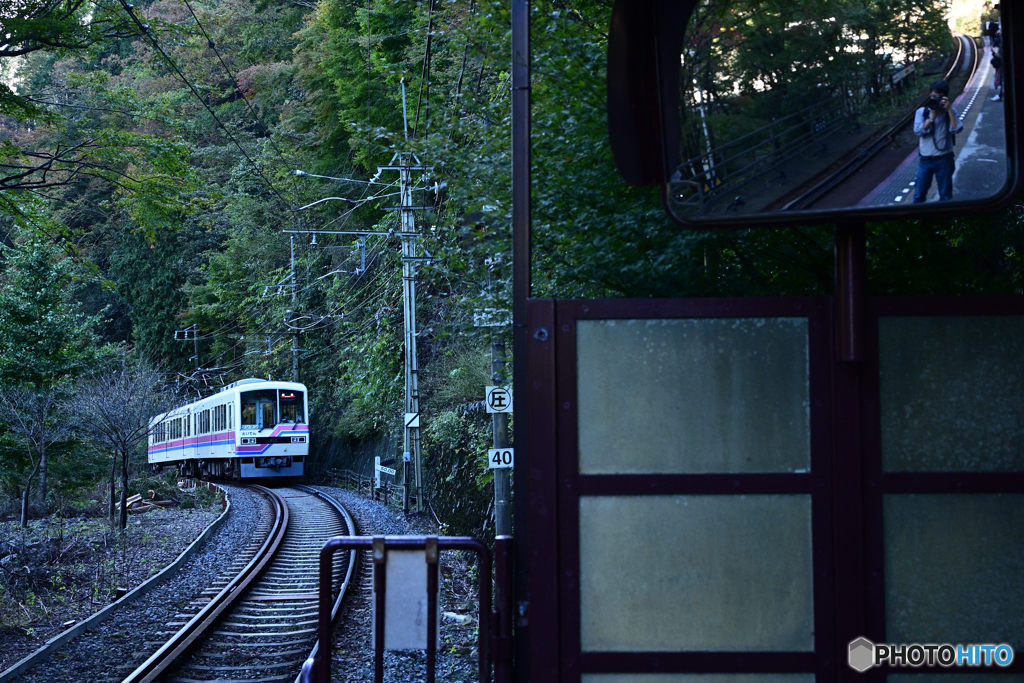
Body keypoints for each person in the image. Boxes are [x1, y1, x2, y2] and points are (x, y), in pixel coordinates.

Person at [913, 80, 963, 203]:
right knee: (919, 195)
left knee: (945, 195)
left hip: (945, 159)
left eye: (939, 96)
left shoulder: (950, 112)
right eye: (933, 96)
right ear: (930, 95)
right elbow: (918, 131)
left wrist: (949, 110)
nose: (936, 99)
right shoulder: (922, 112)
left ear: (945, 96)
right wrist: (932, 117)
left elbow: (956, 129)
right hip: (925, 160)